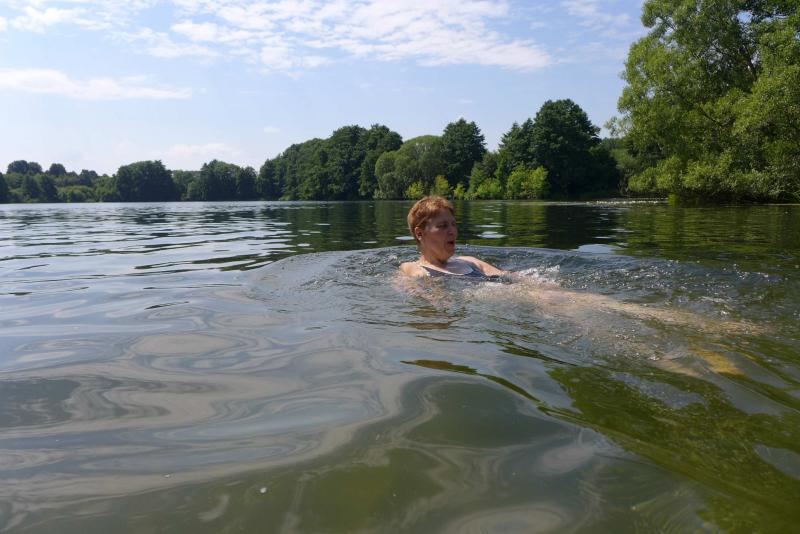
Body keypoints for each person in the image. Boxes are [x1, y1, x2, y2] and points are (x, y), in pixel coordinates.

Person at [400, 196, 505, 279]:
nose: (452, 231)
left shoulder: (469, 262)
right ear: (420, 234)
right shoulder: (412, 269)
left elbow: (509, 278)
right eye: (443, 226)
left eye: (454, 224)